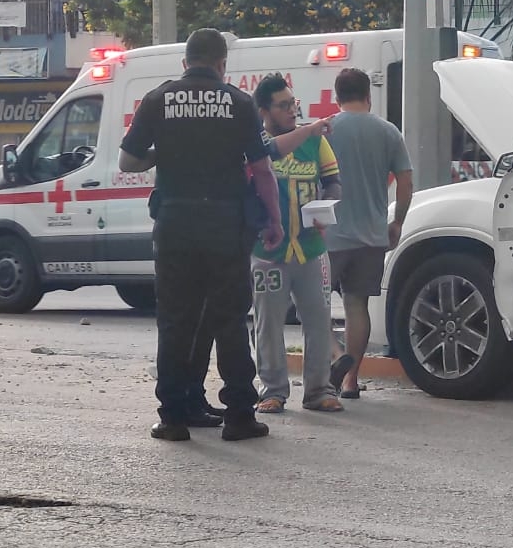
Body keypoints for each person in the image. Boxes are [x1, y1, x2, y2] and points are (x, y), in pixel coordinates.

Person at [119, 27, 285, 443]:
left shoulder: (158, 99)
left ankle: (173, 416)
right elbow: (262, 170)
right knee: (229, 320)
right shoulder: (239, 102)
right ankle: (239, 416)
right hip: (226, 226)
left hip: (175, 224)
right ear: (221, 64)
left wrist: (167, 152)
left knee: (175, 321)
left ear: (185, 62)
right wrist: (274, 220)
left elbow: (129, 159)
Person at [250, 74, 346, 413]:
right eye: (284, 105)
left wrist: (328, 207)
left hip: (311, 248)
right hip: (267, 252)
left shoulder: (315, 141)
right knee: (269, 322)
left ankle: (320, 390)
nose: (292, 110)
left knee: (319, 319)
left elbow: (333, 182)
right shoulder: (255, 144)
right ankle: (273, 390)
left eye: (294, 104)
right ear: (265, 110)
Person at [325, 68, 413, 399]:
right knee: (356, 305)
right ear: (368, 95)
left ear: (337, 96)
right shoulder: (389, 132)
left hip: (330, 234)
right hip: (373, 235)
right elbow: (406, 183)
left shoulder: (326, 129)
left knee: (312, 303)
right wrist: (397, 222)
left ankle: (336, 356)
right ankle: (350, 380)